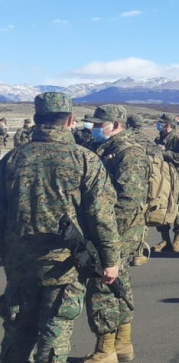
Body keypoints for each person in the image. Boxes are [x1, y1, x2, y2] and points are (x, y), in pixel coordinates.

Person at [0, 93, 120, 362]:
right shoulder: (84, 160)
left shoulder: (12, 159)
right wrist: (111, 260)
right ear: (70, 121)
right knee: (54, 335)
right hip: (64, 265)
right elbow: (101, 215)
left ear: (37, 119)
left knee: (17, 332)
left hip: (19, 264)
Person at [84, 105, 150, 362]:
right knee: (118, 286)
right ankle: (123, 344)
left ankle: (105, 350)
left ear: (117, 124)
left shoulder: (128, 153)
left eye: (101, 124)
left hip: (118, 231)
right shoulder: (106, 149)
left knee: (103, 288)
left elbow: (127, 201)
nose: (95, 128)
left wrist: (105, 234)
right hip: (109, 229)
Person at [152, 113, 179, 253]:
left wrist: (165, 153)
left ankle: (178, 238)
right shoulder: (159, 138)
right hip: (163, 177)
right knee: (162, 206)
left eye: (162, 122)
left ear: (169, 124)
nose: (159, 124)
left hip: (178, 177)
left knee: (178, 206)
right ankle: (165, 239)